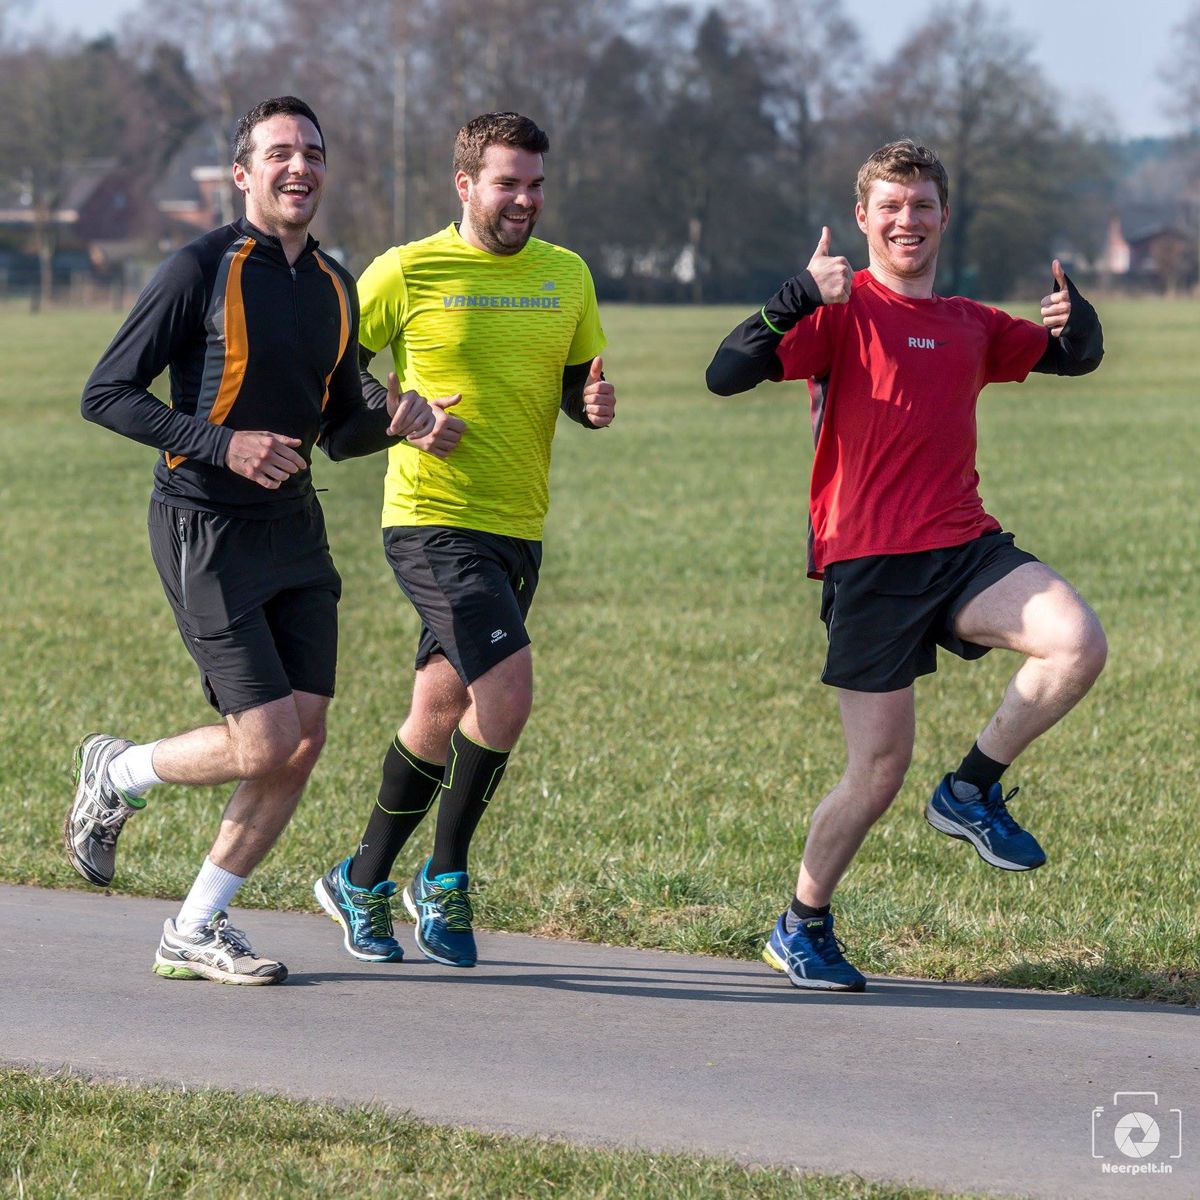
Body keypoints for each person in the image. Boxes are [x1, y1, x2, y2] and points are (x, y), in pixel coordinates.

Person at [65, 96, 453, 985]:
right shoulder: (197, 269)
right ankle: (121, 771)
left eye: (312, 153)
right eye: (279, 152)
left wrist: (400, 420)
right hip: (204, 526)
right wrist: (223, 442)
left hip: (295, 530)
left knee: (303, 737)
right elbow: (108, 392)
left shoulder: (334, 287)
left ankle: (196, 925)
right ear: (243, 173)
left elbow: (337, 426)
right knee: (268, 739)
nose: (299, 167)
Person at [706, 139, 1106, 993]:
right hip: (868, 563)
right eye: (890, 205)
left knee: (1075, 641)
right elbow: (725, 373)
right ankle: (800, 922)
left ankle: (970, 791)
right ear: (863, 218)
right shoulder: (840, 315)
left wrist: (1083, 322)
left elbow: (1070, 358)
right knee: (878, 770)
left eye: (922, 204)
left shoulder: (972, 323)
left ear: (943, 216)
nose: (906, 220)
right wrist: (794, 297)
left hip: (964, 547)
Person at [313, 111, 614, 969]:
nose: (525, 199)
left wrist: (587, 407)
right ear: (466, 184)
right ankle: (443, 881)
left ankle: (360, 880)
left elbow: (570, 381)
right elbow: (332, 372)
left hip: (518, 522)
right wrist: (397, 416)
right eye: (508, 182)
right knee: (507, 691)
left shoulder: (568, 275)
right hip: (431, 519)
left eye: (536, 184)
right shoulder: (406, 271)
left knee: (439, 709)